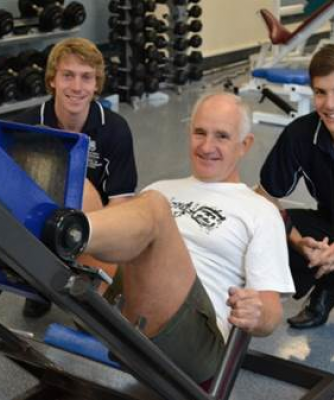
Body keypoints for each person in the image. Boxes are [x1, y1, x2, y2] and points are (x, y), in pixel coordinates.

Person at [63, 93, 294, 383]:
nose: (207, 146)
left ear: (244, 145)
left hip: (194, 339)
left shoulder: (260, 210)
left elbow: (271, 311)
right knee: (79, 187)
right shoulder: (163, 186)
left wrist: (258, 316)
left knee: (155, 207)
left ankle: (68, 235)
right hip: (126, 299)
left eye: (222, 136)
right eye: (200, 132)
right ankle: (56, 237)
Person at [15, 37, 137, 317]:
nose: (77, 87)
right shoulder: (25, 126)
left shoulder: (116, 129)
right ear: (52, 80)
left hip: (94, 226)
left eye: (86, 78)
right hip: (40, 221)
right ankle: (38, 284)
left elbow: (121, 207)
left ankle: (91, 286)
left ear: (97, 84)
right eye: (68, 75)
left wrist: (93, 245)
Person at [257, 43, 334, 329]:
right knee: (266, 228)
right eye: (320, 92)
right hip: (333, 219)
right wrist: (297, 241)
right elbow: (262, 198)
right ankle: (331, 285)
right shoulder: (301, 134)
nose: (329, 104)